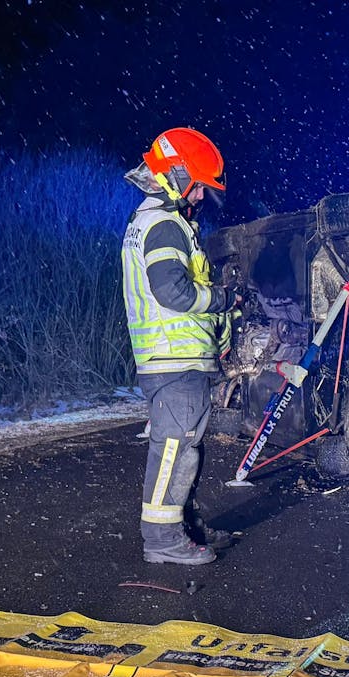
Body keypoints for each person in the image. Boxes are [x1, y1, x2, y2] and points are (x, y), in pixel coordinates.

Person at [121, 127, 240, 565]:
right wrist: (222, 299)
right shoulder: (164, 226)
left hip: (173, 359)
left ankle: (182, 525)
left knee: (184, 445)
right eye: (199, 188)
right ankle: (163, 538)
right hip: (173, 359)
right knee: (175, 447)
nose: (200, 198)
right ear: (177, 174)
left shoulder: (156, 221)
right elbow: (174, 292)